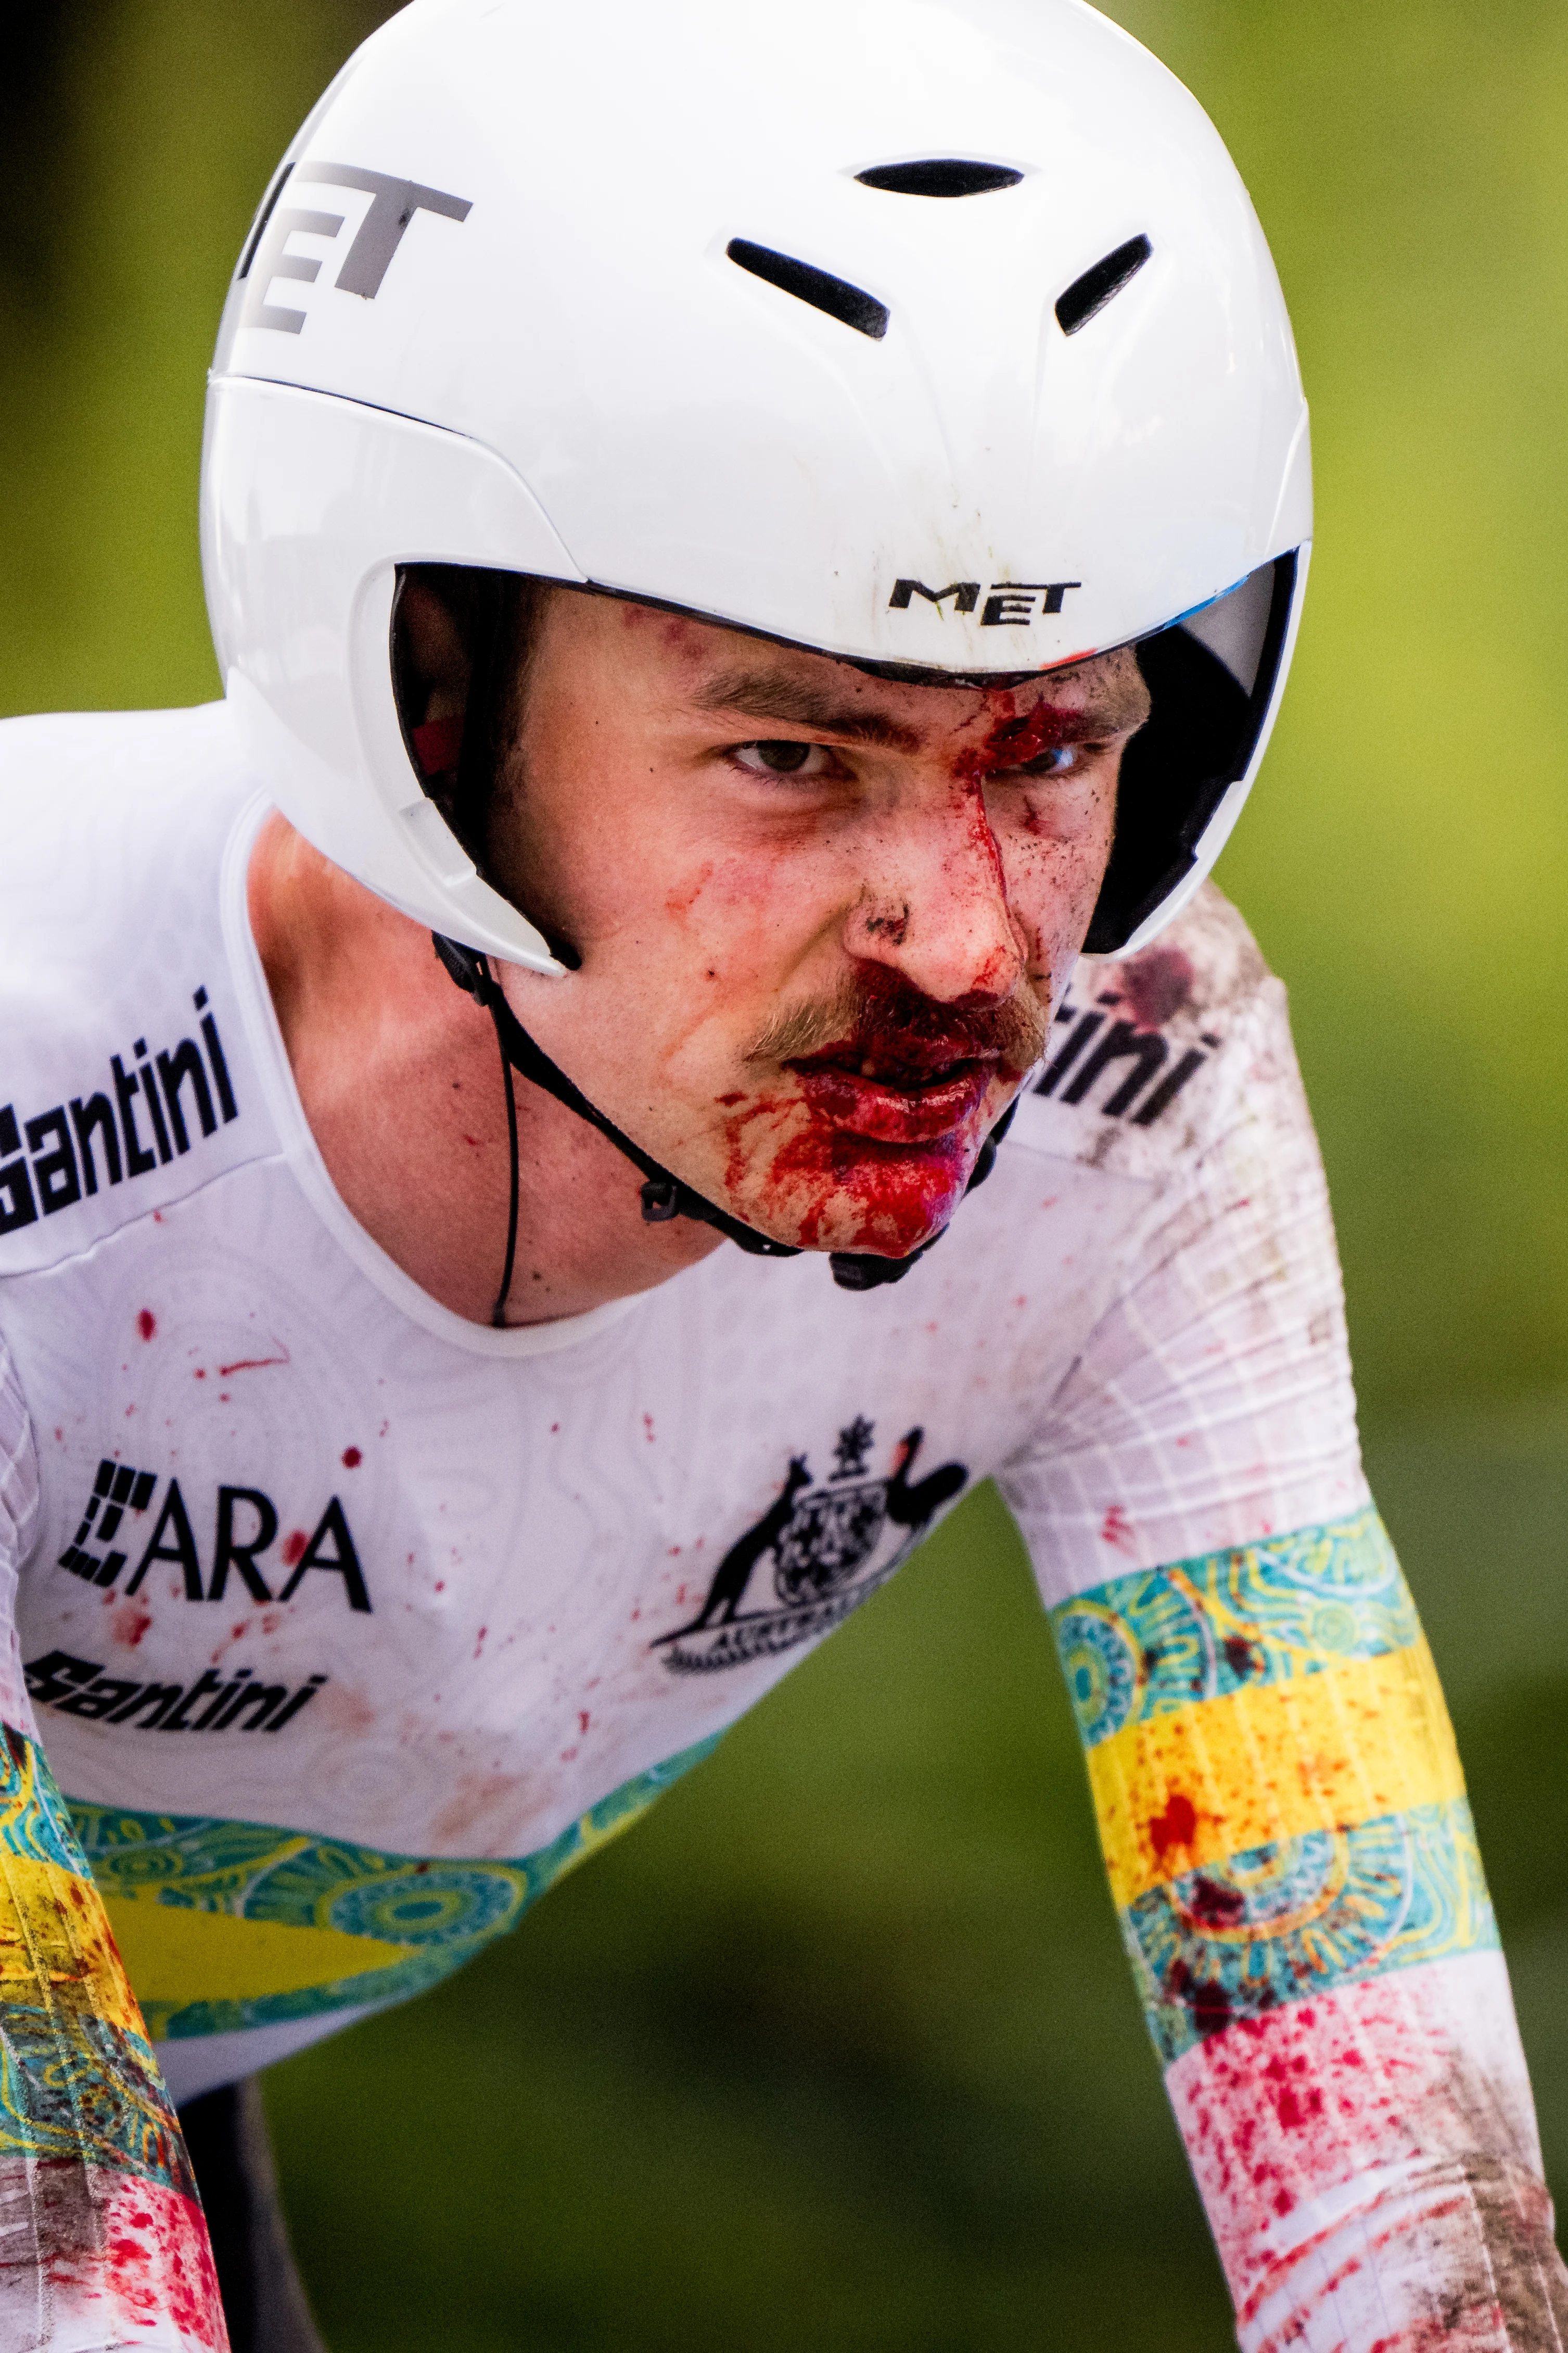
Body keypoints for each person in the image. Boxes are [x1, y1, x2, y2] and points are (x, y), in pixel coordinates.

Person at [0, 0, 1560, 2346]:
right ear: (429, 704)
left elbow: (1390, 2175)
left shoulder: (1140, 1089)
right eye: (788, 753)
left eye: (1048, 754)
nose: (963, 941)